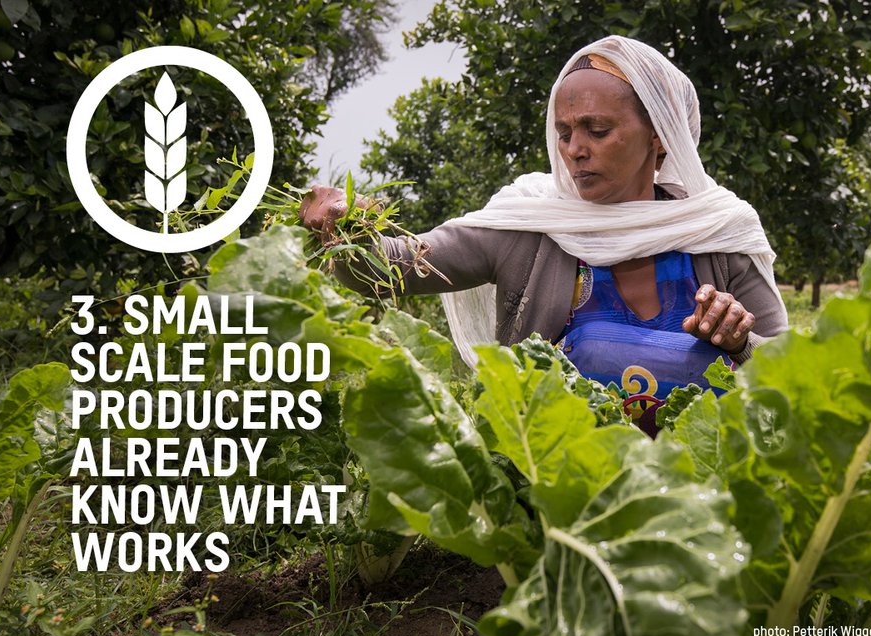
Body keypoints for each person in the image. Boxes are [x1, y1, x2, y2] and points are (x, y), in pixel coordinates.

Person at [301, 35, 788, 432]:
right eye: (564, 132)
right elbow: (393, 267)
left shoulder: (717, 229)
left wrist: (740, 343)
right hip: (560, 501)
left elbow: (786, 373)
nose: (574, 149)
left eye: (596, 130)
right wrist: (348, 225)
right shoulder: (531, 223)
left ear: (658, 135)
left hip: (705, 498)